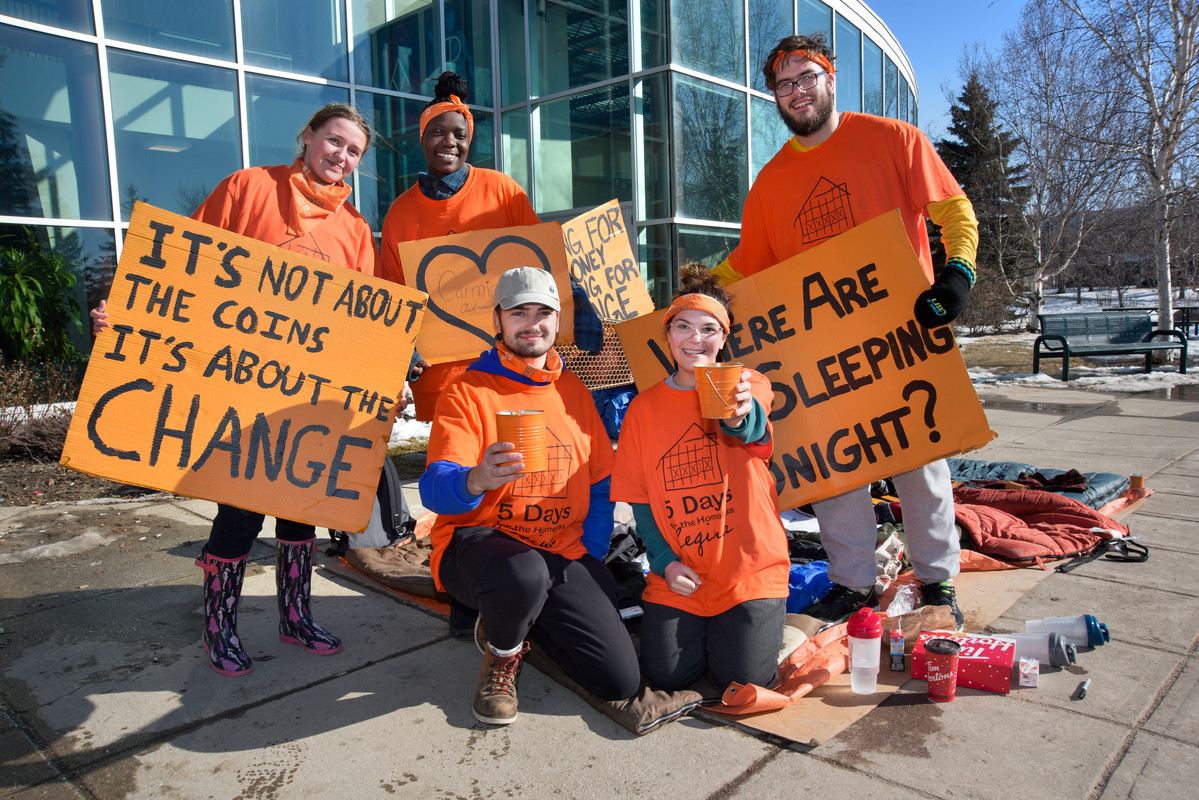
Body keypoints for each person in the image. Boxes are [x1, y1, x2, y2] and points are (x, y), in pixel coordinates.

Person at [91, 103, 380, 675]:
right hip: (238, 389)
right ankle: (218, 626)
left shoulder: (353, 231)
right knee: (240, 512)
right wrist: (128, 315)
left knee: (302, 511)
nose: (342, 156)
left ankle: (295, 617)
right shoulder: (248, 189)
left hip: (307, 396)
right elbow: (183, 266)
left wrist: (377, 383)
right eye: (334, 141)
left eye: (353, 151)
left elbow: (363, 327)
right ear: (307, 136)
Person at [714, 33, 979, 628]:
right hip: (822, 353)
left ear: (830, 79)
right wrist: (695, 292)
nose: (797, 91)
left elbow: (954, 211)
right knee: (834, 471)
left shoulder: (894, 140)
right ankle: (853, 583)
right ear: (774, 97)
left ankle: (937, 582)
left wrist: (956, 274)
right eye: (784, 84)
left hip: (903, 338)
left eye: (807, 77)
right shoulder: (770, 183)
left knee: (920, 465)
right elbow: (745, 266)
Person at [418, 266, 640, 725]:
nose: (532, 323)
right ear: (497, 320)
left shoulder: (573, 390)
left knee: (617, 680)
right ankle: (502, 656)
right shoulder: (467, 389)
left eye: (543, 312)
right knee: (523, 574)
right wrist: (476, 479)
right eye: (519, 312)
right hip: (481, 544)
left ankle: (515, 622)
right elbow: (434, 489)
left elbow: (600, 483)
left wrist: (591, 552)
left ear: (558, 321)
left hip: (561, 548)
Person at [610, 265, 789, 693]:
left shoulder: (747, 383)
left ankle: (762, 633)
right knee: (666, 675)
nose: (695, 339)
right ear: (668, 336)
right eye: (683, 327)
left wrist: (738, 415)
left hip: (749, 569)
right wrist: (664, 562)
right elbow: (640, 501)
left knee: (741, 683)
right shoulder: (642, 410)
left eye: (709, 329)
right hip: (680, 571)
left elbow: (753, 429)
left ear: (724, 338)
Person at [379, 71, 541, 423]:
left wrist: (574, 300)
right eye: (437, 132)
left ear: (470, 141)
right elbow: (391, 295)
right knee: (452, 456)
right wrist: (401, 348)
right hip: (438, 380)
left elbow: (541, 265)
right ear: (422, 138)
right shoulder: (400, 212)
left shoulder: (502, 191)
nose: (448, 141)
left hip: (508, 370)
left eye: (459, 134)